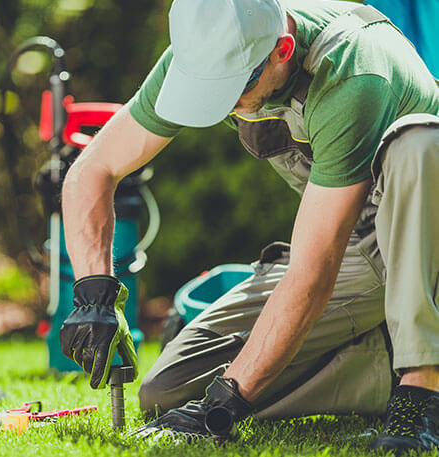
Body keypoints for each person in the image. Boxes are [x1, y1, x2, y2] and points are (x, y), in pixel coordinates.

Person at [58, 0, 439, 452]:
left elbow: (313, 274)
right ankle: (390, 359)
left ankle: (421, 388)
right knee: (169, 390)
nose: (226, 104)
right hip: (360, 247)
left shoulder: (353, 72)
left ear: (282, 49)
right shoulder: (207, 47)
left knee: (419, 143)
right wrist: (93, 294)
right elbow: (93, 170)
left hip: (424, 244)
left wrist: (228, 398)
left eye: (234, 86)